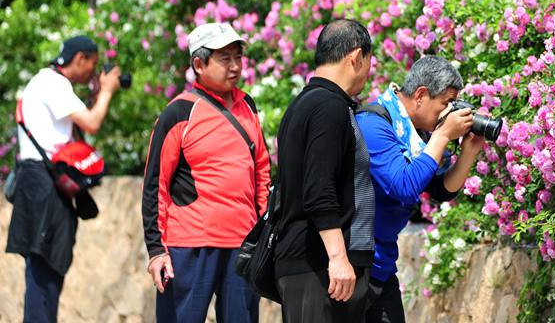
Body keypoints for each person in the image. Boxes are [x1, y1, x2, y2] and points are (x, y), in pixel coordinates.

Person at [141, 22, 271, 323]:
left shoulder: (247, 106)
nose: (235, 66)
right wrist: (156, 250)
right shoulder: (178, 112)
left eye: (238, 57)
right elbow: (154, 186)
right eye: (225, 58)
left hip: (242, 244)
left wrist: (264, 231)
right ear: (199, 64)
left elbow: (261, 171)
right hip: (189, 245)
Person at [357, 55, 486, 323]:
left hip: (382, 268)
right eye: (446, 104)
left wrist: (468, 154)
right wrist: (441, 136)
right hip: (354, 267)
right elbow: (404, 186)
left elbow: (441, 189)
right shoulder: (374, 124)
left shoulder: (420, 135)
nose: (449, 113)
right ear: (420, 95)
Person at [6, 35, 122, 323]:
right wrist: (106, 91)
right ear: (80, 58)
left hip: (41, 184)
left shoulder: (46, 82)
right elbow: (92, 123)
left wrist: (95, 94)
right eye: (92, 66)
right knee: (43, 272)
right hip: (43, 184)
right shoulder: (52, 83)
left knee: (46, 270)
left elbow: (74, 127)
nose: (93, 73)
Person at [274, 19, 376, 323]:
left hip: (313, 267)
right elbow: (319, 189)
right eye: (369, 62)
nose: (369, 71)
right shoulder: (328, 107)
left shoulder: (305, 103)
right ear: (356, 57)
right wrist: (338, 258)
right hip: (320, 268)